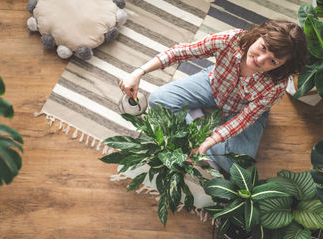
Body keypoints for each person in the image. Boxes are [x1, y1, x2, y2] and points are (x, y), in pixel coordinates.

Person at [118, 20, 307, 173]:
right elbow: (181, 52)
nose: (260, 60)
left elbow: (244, 118)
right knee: (158, 99)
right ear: (259, 35)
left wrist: (209, 141)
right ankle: (201, 127)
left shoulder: (277, 85)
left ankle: (199, 128)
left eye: (273, 61)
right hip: (213, 85)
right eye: (263, 48)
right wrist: (138, 73)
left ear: (282, 66)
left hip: (245, 110)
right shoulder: (230, 39)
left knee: (237, 166)